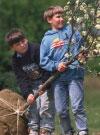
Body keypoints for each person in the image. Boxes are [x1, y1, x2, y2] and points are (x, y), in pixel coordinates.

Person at [40, 6, 88, 135]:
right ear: (49, 19)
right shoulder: (46, 39)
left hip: (74, 74)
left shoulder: (73, 31)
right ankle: (68, 131)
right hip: (58, 79)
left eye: (62, 16)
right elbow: (43, 61)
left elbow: (83, 49)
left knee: (77, 106)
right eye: (58, 17)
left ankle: (82, 130)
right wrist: (56, 65)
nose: (62, 19)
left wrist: (84, 55)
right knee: (61, 110)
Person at [5, 28, 55, 135]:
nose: (22, 45)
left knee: (45, 106)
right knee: (32, 106)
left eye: (23, 41)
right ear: (13, 47)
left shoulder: (36, 49)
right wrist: (28, 93)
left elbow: (46, 67)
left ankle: (46, 129)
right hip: (31, 85)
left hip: (45, 82)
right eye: (18, 44)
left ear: (26, 39)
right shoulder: (15, 60)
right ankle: (33, 128)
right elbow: (21, 78)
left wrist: (44, 84)